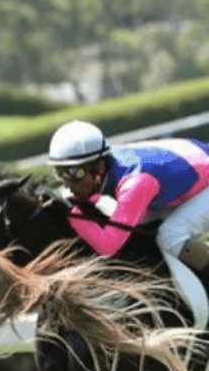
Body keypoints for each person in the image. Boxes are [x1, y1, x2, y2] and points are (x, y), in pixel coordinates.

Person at [47, 119, 209, 328]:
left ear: (98, 168)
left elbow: (109, 246)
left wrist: (73, 213)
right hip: (189, 172)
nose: (68, 185)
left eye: (74, 174)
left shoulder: (134, 183)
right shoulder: (108, 169)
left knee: (170, 235)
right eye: (61, 173)